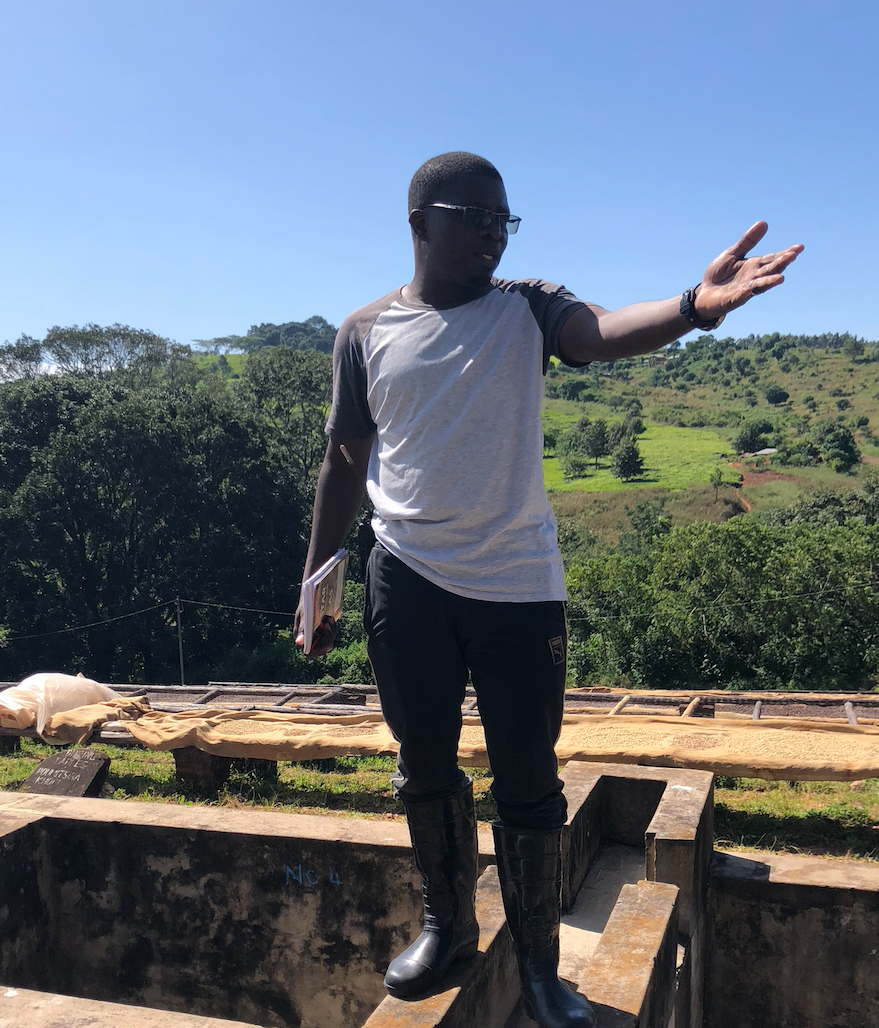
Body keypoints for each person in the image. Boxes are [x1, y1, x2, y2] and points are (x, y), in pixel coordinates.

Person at [295, 152, 802, 1028]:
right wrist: (317, 580)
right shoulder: (364, 333)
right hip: (404, 579)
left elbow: (601, 334)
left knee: (529, 781)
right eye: (476, 217)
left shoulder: (525, 306)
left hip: (517, 586)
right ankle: (449, 928)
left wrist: (693, 305)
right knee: (423, 765)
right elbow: (344, 461)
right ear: (420, 224)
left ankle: (540, 970)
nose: (495, 234)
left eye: (505, 220)